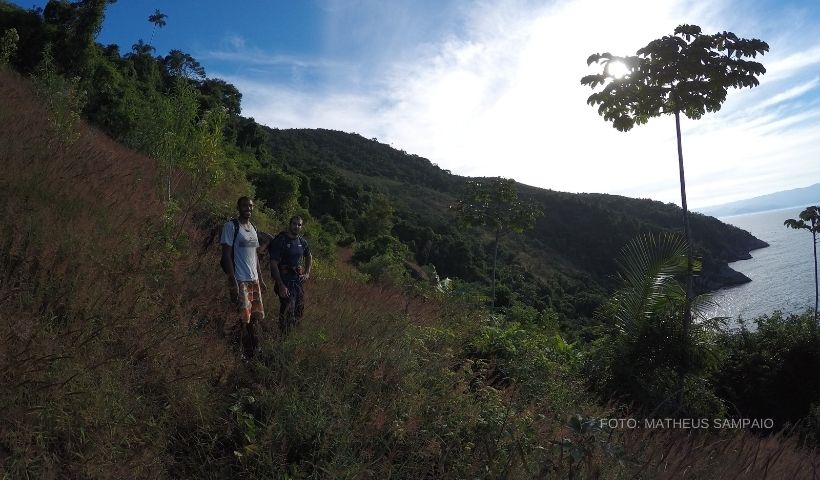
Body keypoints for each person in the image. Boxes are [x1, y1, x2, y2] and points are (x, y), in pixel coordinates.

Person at [220, 196, 266, 359]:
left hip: (253, 280)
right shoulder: (231, 226)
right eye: (245, 205)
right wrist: (232, 278)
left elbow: (255, 256)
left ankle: (254, 349)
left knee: (254, 317)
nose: (249, 208)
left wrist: (260, 279)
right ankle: (237, 351)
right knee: (242, 318)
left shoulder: (253, 227)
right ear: (238, 207)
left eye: (251, 206)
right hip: (240, 278)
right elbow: (226, 254)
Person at [269, 215, 312, 334]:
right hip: (284, 280)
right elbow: (273, 263)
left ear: (302, 227)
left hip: (297, 281)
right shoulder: (281, 240)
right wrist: (280, 285)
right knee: (288, 309)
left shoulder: (302, 242)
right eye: (294, 223)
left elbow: (309, 256)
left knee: (299, 309)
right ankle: (283, 336)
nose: (296, 226)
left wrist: (307, 273)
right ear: (290, 224)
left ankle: (292, 335)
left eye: (299, 224)